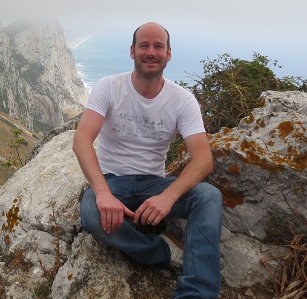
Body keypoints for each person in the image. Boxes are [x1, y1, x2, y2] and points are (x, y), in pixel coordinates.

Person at [72, 22, 222, 299]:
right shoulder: (109, 87)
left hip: (154, 184)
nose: (151, 52)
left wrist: (168, 197)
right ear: (132, 51)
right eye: (144, 46)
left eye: (158, 46)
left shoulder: (182, 100)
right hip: (113, 181)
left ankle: (197, 293)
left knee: (208, 197)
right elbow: (82, 140)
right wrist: (102, 193)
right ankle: (161, 252)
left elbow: (203, 159)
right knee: (92, 212)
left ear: (168, 54)